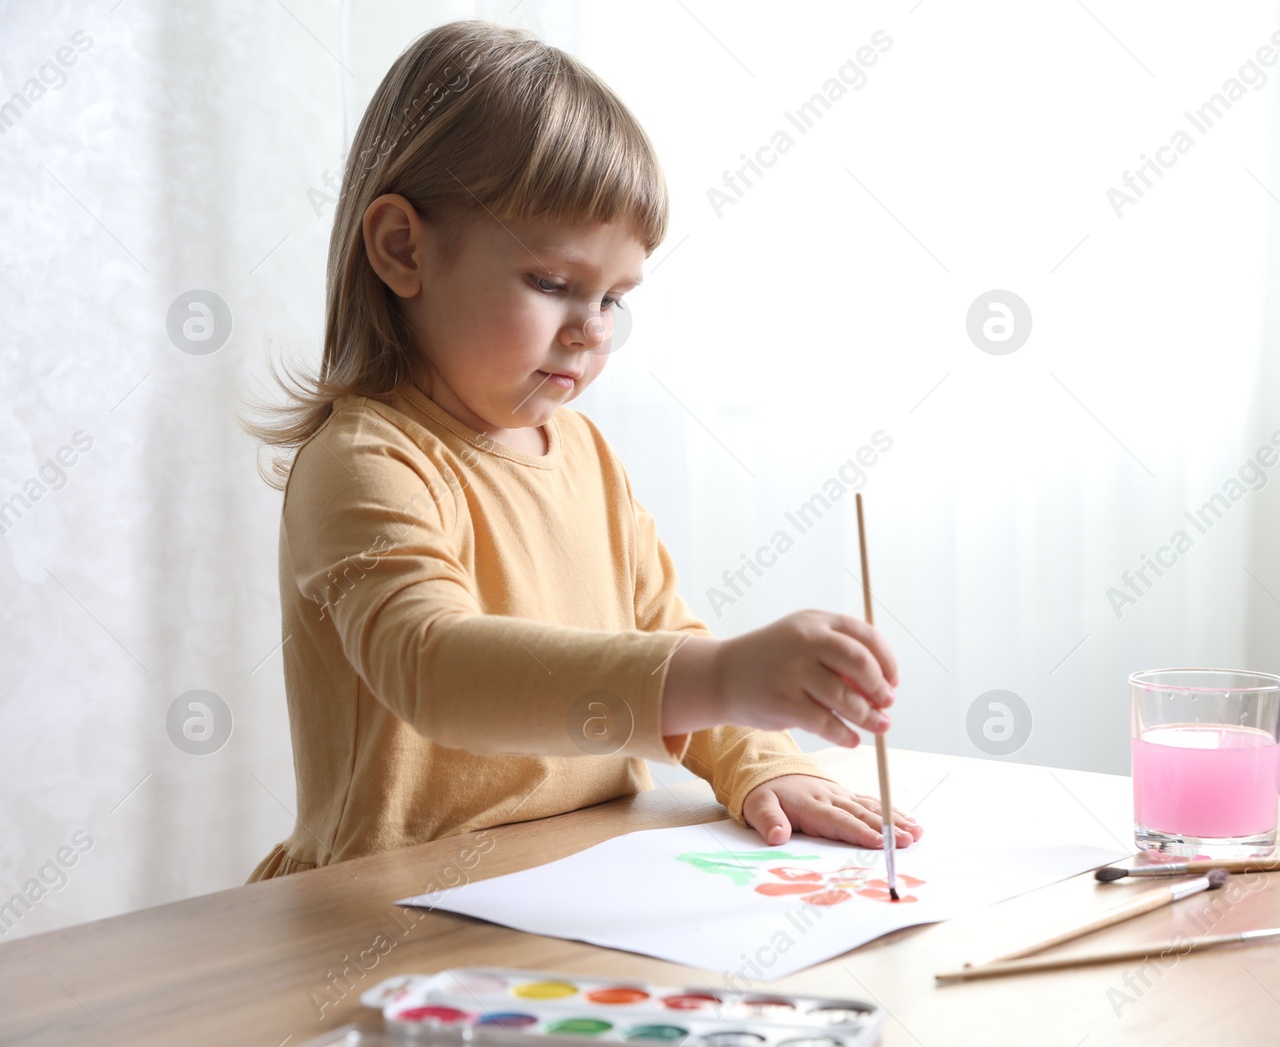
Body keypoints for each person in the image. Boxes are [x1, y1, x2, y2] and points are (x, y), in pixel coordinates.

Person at [244, 19, 920, 881]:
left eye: (614, 298)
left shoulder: (585, 454)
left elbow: (662, 631)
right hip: (391, 910)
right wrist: (727, 674)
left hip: (579, 878)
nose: (590, 331)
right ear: (403, 249)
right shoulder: (365, 460)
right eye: (553, 284)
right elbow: (435, 667)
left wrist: (761, 757)